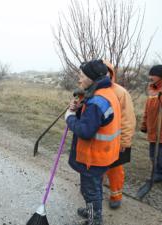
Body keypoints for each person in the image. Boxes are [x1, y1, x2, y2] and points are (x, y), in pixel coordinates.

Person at [65, 59, 121, 225]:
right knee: (94, 187)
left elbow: (85, 131)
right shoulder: (106, 93)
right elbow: (96, 120)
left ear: (91, 78)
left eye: (81, 76)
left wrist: (70, 117)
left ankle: (95, 219)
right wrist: (80, 108)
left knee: (90, 190)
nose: (79, 79)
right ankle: (93, 210)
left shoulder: (97, 101)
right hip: (103, 154)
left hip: (93, 157)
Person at [104, 61, 136, 209]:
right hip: (98, 141)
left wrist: (124, 141)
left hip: (116, 141)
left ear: (110, 74)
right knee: (94, 168)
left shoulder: (120, 92)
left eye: (106, 72)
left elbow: (128, 119)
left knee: (115, 170)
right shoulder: (91, 91)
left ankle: (116, 195)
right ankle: (92, 191)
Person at [141, 65, 162, 182]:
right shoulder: (152, 89)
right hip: (153, 131)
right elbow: (147, 109)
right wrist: (144, 124)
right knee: (153, 156)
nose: (150, 77)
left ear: (160, 76)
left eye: (152, 75)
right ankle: (158, 174)